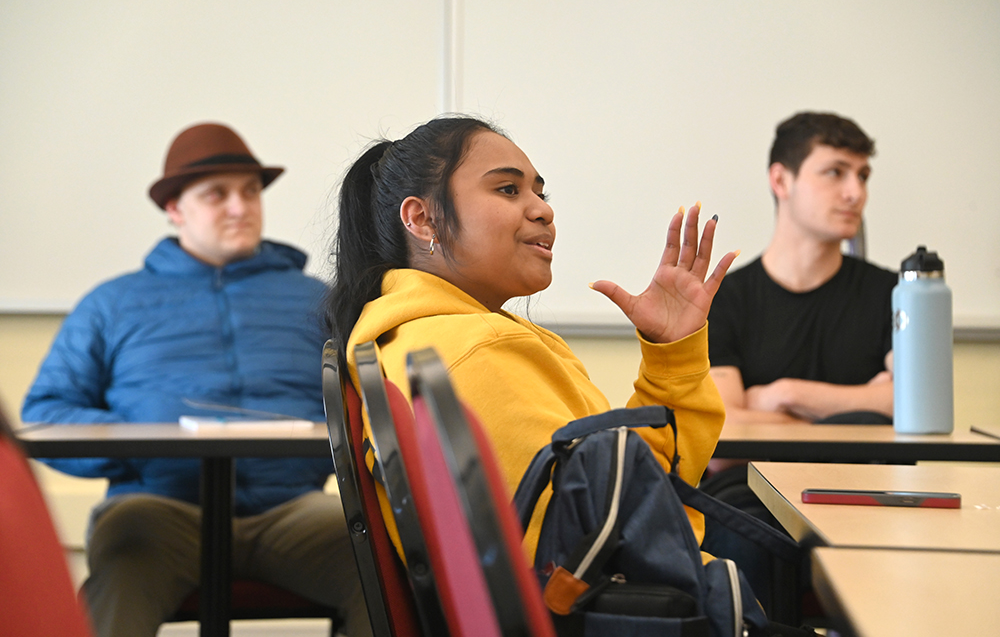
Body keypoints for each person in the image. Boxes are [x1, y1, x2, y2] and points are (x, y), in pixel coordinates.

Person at [326, 115, 737, 557]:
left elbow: (622, 491)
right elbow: (604, 541)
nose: (544, 209)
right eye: (507, 189)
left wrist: (670, 358)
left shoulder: (420, 338)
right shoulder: (473, 351)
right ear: (422, 219)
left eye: (540, 193)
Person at [22, 123, 371, 637]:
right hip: (158, 512)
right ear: (174, 209)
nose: (240, 207)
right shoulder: (112, 304)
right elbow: (46, 412)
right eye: (217, 195)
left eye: (251, 192)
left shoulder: (317, 300)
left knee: (383, 570)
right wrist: (135, 439)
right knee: (123, 565)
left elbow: (363, 404)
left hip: (291, 511)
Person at [701, 111, 897, 605]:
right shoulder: (727, 296)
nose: (856, 192)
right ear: (781, 179)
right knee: (736, 535)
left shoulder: (893, 293)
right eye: (836, 172)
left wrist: (782, 395)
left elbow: (910, 406)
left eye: (863, 175)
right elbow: (723, 441)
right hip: (754, 497)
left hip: (868, 491)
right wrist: (856, 412)